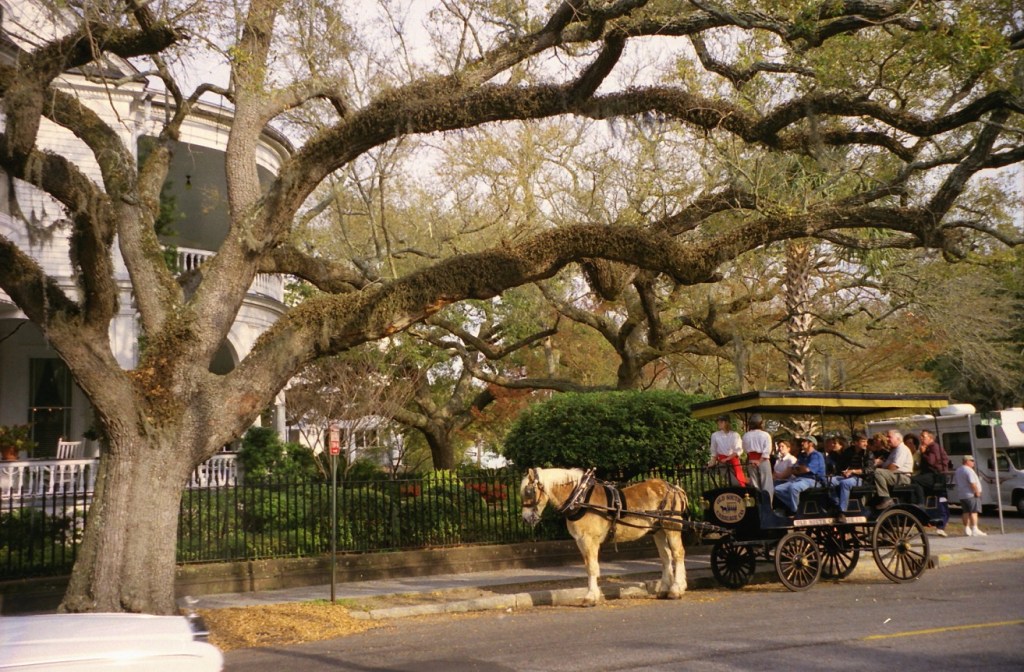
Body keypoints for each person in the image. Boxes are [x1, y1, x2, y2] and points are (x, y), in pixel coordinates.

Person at [912, 429, 952, 536]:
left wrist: (923, 452)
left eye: (923, 436)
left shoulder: (934, 447)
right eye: (920, 436)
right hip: (930, 475)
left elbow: (931, 461)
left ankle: (920, 504)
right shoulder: (929, 447)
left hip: (937, 476)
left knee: (915, 480)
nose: (921, 438)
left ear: (930, 438)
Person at [774, 436, 826, 515]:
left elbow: (806, 469)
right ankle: (796, 507)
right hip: (800, 479)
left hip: (813, 480)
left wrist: (798, 469)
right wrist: (799, 469)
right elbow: (794, 468)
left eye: (804, 441)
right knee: (777, 489)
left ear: (811, 444)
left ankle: (794, 512)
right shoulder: (802, 455)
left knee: (793, 488)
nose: (802, 443)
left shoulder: (816, 455)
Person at [829, 431, 873, 515]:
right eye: (863, 441)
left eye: (866, 441)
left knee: (845, 483)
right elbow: (841, 464)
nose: (866, 444)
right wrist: (843, 471)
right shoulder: (848, 451)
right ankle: (836, 503)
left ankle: (842, 511)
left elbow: (869, 469)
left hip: (861, 479)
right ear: (855, 442)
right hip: (847, 476)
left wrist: (853, 471)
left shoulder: (868, 453)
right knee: (829, 481)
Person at [873, 429, 914, 510]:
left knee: (877, 472)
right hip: (894, 475)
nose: (887, 439)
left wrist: (883, 469)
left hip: (902, 477)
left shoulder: (902, 449)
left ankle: (886, 498)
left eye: (889, 437)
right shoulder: (894, 450)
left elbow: (894, 466)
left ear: (898, 438)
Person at [742, 413, 773, 504]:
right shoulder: (765, 435)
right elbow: (767, 450)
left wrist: (753, 459)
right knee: (766, 485)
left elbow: (745, 449)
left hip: (751, 460)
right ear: (761, 423)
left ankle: (758, 505)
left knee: (755, 485)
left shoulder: (746, 435)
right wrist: (759, 461)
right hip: (763, 460)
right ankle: (768, 506)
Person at [709, 414, 747, 487]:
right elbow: (714, 451)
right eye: (718, 422)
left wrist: (728, 458)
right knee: (733, 482)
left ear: (727, 422)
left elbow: (738, 450)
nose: (719, 423)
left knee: (739, 480)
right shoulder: (715, 435)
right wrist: (712, 462)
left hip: (733, 461)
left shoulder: (735, 435)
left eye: (721, 422)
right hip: (722, 462)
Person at [953, 455, 986, 537]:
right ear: (967, 461)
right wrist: (977, 492)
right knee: (974, 512)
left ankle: (966, 529)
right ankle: (975, 529)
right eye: (971, 460)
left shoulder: (958, 470)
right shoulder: (969, 470)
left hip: (962, 494)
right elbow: (972, 483)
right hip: (971, 494)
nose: (973, 462)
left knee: (966, 512)